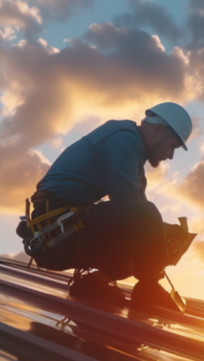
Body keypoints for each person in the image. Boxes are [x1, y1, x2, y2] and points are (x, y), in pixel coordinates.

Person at [17, 102, 194, 312]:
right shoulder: (123, 138)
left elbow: (140, 216)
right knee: (146, 221)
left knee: (137, 253)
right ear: (157, 131)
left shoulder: (135, 159)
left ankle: (91, 285)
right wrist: (160, 237)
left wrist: (161, 239)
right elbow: (134, 208)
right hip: (56, 232)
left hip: (67, 229)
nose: (170, 155)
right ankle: (148, 290)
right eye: (172, 146)